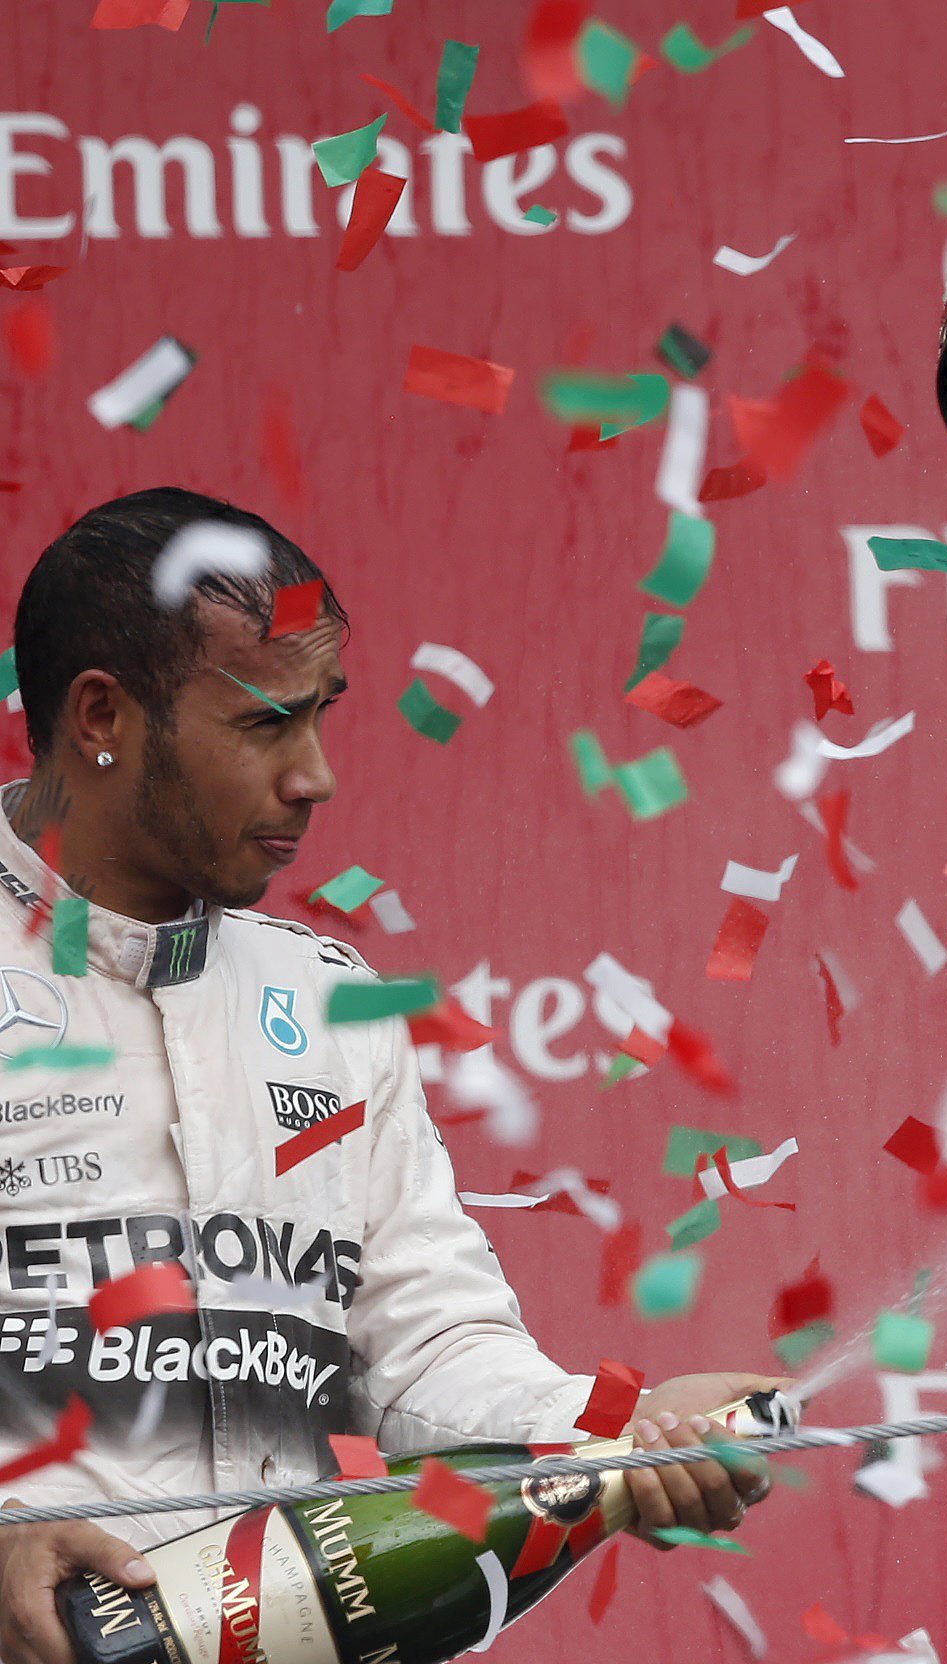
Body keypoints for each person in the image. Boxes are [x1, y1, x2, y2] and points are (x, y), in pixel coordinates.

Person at [0, 488, 778, 1664]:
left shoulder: (327, 998)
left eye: (321, 718)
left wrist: (619, 1430)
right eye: (266, 723)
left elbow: (422, 1348)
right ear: (102, 714)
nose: (314, 776)